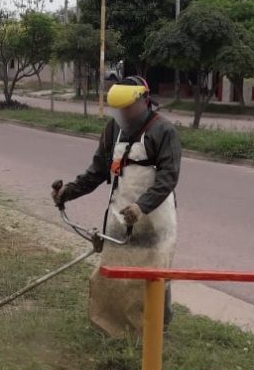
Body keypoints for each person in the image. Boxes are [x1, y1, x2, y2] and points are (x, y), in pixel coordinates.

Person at [51, 76, 181, 337]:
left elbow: (168, 178)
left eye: (127, 108)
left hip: (155, 220)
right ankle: (112, 329)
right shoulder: (114, 129)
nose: (123, 114)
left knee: (154, 278)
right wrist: (67, 193)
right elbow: (98, 171)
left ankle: (156, 333)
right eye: (119, 109)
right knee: (114, 274)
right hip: (121, 216)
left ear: (144, 100)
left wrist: (141, 207)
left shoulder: (163, 131)